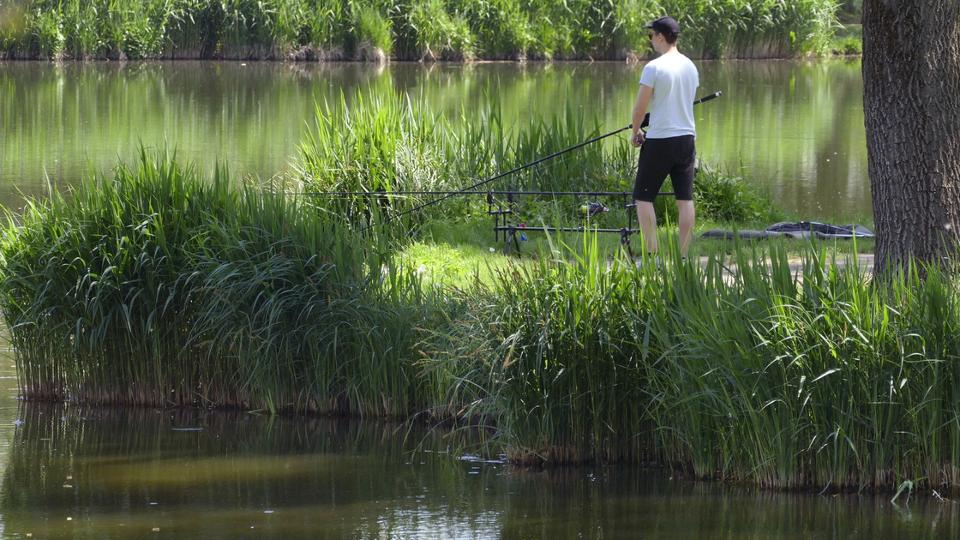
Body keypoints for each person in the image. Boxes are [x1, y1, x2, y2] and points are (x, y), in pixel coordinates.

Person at [630, 16, 699, 259]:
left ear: (660, 37)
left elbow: (640, 108)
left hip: (660, 140)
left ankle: (652, 255)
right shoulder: (690, 66)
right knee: (685, 198)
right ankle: (683, 255)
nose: (650, 40)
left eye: (651, 36)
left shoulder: (654, 68)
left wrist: (636, 130)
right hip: (687, 139)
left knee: (643, 198)